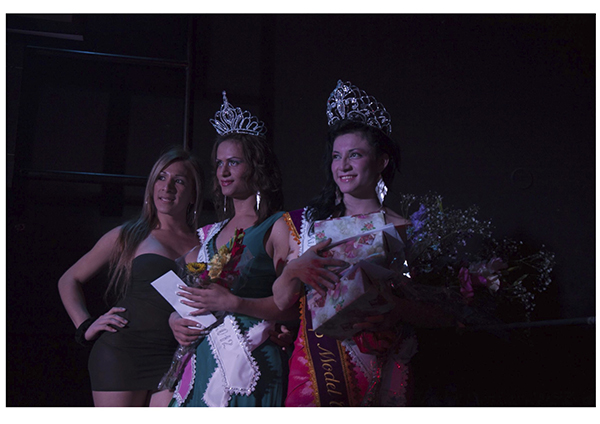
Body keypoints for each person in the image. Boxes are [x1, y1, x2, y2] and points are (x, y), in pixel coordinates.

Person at [272, 80, 455, 407]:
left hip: (380, 368)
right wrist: (294, 270)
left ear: (382, 161)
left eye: (354, 155)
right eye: (336, 156)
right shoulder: (305, 224)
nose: (342, 166)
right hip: (316, 372)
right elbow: (281, 300)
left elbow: (435, 312)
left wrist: (395, 308)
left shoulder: (401, 228)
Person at [166, 92, 337, 407]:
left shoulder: (278, 226)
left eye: (234, 162)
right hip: (204, 361)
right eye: (219, 163)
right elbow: (188, 299)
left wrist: (235, 303)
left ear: (256, 167)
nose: (223, 171)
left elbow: (297, 309)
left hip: (253, 363)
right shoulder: (208, 233)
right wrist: (175, 320)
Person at [58, 146, 204, 407]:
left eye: (179, 181)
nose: (167, 187)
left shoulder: (207, 241)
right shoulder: (129, 234)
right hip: (122, 353)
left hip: (177, 357)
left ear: (193, 193)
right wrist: (85, 326)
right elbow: (69, 279)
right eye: (161, 177)